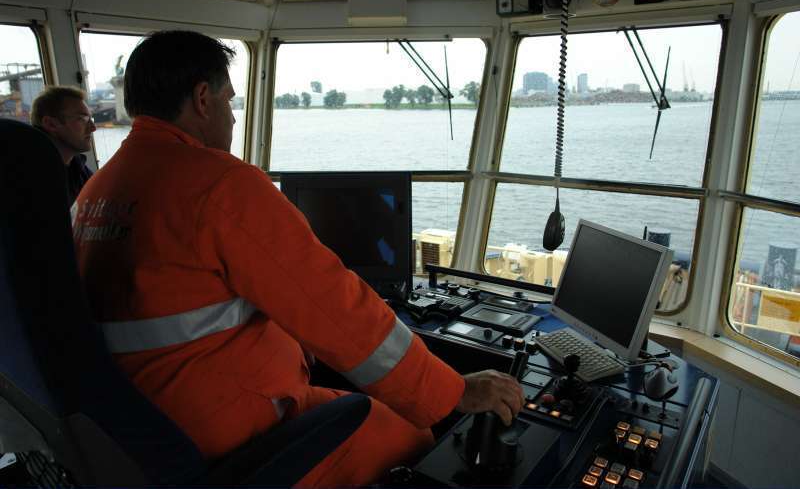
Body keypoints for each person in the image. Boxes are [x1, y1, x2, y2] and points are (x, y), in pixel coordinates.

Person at [72, 30, 523, 487]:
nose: (232, 117)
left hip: (142, 430)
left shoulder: (96, 191)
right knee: (413, 431)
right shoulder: (219, 186)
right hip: (224, 431)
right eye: (230, 102)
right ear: (203, 99)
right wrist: (453, 390)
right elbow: (339, 311)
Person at [31, 86, 96, 206]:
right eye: (82, 119)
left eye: (90, 119)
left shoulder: (78, 168)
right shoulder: (30, 177)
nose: (93, 128)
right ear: (51, 124)